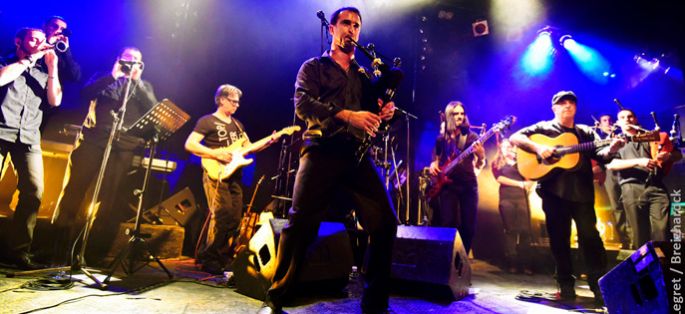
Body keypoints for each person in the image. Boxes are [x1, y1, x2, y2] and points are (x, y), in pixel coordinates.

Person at [261, 7, 398, 314]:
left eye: (357, 26)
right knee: (300, 225)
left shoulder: (364, 78)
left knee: (386, 222)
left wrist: (384, 116)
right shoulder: (314, 67)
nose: (351, 30)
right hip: (321, 150)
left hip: (355, 154)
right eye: (346, 23)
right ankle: (277, 299)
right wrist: (348, 115)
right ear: (333, 28)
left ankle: (375, 304)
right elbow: (302, 104)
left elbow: (372, 120)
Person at [510, 91, 624, 304]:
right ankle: (565, 284)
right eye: (562, 103)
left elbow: (601, 156)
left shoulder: (585, 131)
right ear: (554, 107)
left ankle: (599, 286)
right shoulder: (544, 127)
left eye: (572, 102)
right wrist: (539, 148)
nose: (568, 105)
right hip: (553, 193)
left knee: (591, 239)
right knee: (559, 240)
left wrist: (613, 148)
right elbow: (515, 137)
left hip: (582, 193)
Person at [52, 47, 157, 264]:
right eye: (128, 60)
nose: (131, 64)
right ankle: (58, 249)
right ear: (118, 59)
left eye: (136, 61)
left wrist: (136, 81)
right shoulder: (104, 77)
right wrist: (113, 75)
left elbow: (154, 111)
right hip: (94, 141)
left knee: (109, 200)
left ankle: (93, 253)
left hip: (123, 148)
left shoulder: (143, 86)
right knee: (75, 191)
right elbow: (85, 93)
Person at [185, 84, 277, 275]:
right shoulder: (207, 121)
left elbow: (249, 148)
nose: (237, 105)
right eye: (233, 101)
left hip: (235, 175)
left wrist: (269, 142)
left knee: (235, 218)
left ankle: (222, 256)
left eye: (238, 102)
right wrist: (215, 154)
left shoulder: (238, 125)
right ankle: (209, 257)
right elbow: (190, 144)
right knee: (221, 215)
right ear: (221, 100)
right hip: (216, 173)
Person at [0, 28, 62, 269]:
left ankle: (17, 252)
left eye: (41, 41)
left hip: (28, 138)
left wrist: (53, 67)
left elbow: (55, 100)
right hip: (1, 130)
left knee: (34, 191)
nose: (39, 44)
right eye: (33, 40)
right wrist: (28, 60)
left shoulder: (42, 72)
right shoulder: (6, 61)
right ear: (19, 41)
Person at [606, 109, 681, 248]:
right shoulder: (615, 142)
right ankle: (643, 268)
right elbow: (611, 165)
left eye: (630, 116)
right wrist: (639, 161)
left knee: (662, 232)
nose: (627, 119)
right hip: (632, 188)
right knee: (639, 235)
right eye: (622, 117)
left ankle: (663, 266)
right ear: (618, 123)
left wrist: (668, 156)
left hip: (656, 186)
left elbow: (678, 155)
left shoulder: (652, 136)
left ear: (636, 119)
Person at [428, 101, 484, 254]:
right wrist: (434, 163)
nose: (460, 116)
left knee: (469, 225)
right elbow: (436, 156)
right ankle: (448, 258)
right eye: (456, 113)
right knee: (448, 224)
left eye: (462, 113)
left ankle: (463, 258)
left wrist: (480, 156)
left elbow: (480, 163)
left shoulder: (472, 137)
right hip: (448, 185)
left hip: (468, 185)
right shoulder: (442, 138)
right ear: (449, 116)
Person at [491, 138, 534, 275]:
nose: (507, 149)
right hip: (507, 199)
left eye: (509, 146)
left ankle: (525, 263)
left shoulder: (522, 162)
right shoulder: (497, 163)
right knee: (511, 230)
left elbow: (531, 177)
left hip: (522, 199)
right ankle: (512, 263)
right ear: (500, 149)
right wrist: (520, 184)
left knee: (525, 231)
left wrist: (529, 184)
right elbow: (499, 179)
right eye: (504, 147)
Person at [593, 114, 631, 249]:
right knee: (616, 206)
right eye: (604, 120)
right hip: (608, 173)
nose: (608, 122)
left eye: (610, 120)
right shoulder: (597, 137)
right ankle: (624, 239)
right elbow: (598, 157)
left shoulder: (620, 134)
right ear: (599, 123)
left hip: (626, 170)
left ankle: (634, 237)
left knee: (630, 204)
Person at [42, 16, 81, 83]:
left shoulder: (63, 49)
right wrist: (48, 43)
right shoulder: (33, 42)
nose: (58, 31)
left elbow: (75, 76)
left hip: (52, 91)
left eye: (62, 29)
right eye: (54, 26)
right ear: (45, 26)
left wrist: (66, 50)